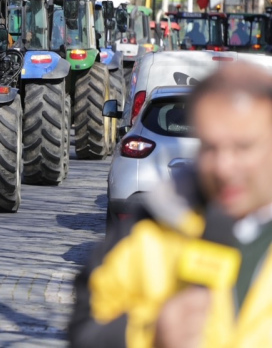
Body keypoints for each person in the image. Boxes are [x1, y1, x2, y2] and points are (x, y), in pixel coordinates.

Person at [70, 62, 272, 347]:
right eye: (211, 147)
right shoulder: (144, 237)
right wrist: (149, 335)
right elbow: (85, 335)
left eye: (243, 147)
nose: (224, 167)